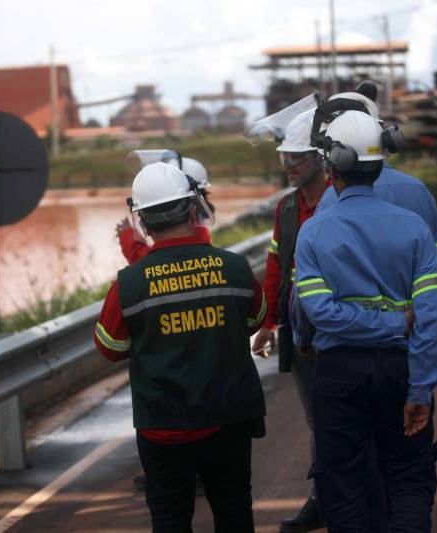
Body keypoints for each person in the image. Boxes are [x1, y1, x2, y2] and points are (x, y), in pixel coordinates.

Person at [294, 110, 437, 532]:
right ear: (380, 165)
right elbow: (430, 317)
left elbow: (319, 312)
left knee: (341, 482)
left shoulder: (312, 233)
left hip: (340, 371)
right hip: (401, 370)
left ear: (331, 168)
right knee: (409, 478)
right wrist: (419, 385)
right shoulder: (415, 228)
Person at [94, 162, 267, 532]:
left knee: (170, 519)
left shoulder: (129, 284)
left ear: (141, 220)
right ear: (192, 208)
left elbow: (109, 345)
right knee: (234, 512)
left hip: (163, 425)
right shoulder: (235, 268)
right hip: (230, 417)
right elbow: (255, 318)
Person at [249, 107, 328, 532]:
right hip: (299, 334)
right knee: (316, 418)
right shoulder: (286, 208)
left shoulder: (339, 201)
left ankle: (344, 495)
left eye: (296, 159)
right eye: (285, 159)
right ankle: (326, 498)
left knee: (343, 416)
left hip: (337, 331)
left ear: (319, 158)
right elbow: (276, 266)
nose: (288, 166)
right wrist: (268, 321)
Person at [314, 82, 437, 319]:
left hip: (347, 340)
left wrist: (305, 340)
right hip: (414, 336)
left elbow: (314, 291)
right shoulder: (418, 191)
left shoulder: (326, 206)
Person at [117, 153, 214, 265]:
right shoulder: (231, 264)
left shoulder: (127, 281)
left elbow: (146, 259)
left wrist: (127, 236)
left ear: (145, 224)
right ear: (193, 209)